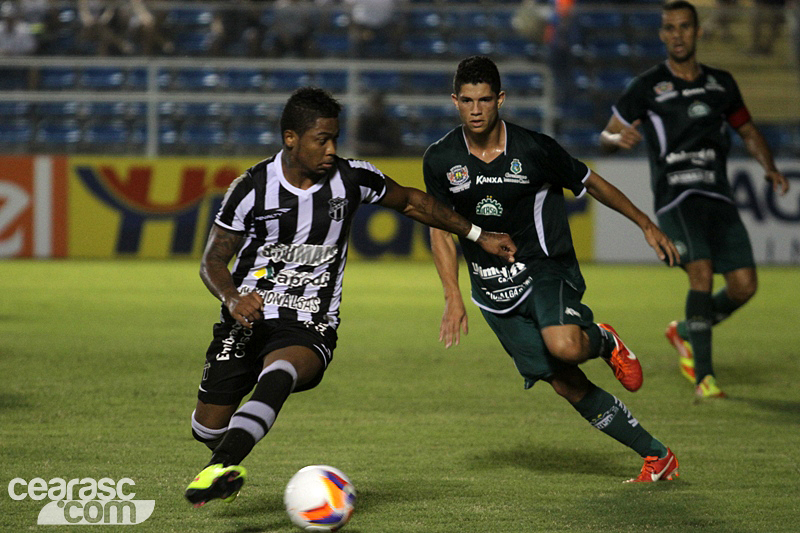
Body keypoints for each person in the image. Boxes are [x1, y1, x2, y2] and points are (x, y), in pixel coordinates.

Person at [184, 87, 516, 507]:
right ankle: (220, 452)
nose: (331, 149)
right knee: (207, 428)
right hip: (249, 316)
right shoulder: (251, 188)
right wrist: (232, 299)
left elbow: (414, 202)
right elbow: (211, 260)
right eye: (321, 139)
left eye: (335, 138)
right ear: (291, 138)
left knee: (280, 372)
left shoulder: (352, 178)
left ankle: (224, 465)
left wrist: (478, 234)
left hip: (311, 319)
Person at [424, 56, 681, 483]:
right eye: (466, 100)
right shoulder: (440, 159)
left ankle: (602, 339)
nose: (475, 109)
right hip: (492, 294)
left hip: (545, 268)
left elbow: (591, 182)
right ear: (454, 101)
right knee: (565, 383)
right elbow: (439, 229)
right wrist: (452, 295)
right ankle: (657, 456)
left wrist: (645, 224)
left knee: (564, 344)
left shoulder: (534, 149)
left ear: (500, 99)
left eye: (484, 100)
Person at [599, 1, 790, 399]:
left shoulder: (722, 83)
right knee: (700, 272)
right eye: (670, 28)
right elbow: (607, 136)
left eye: (685, 27)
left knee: (744, 286)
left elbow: (748, 131)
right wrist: (619, 139)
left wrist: (770, 168)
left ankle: (685, 329)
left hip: (717, 196)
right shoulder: (647, 86)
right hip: (676, 196)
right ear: (662, 34)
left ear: (698, 32)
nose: (677, 34)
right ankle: (705, 376)